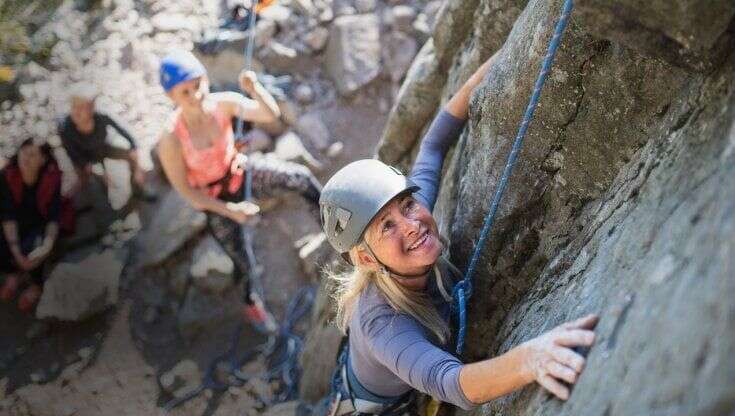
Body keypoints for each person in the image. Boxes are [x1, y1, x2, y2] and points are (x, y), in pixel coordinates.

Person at [317, 52, 599, 414]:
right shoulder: (384, 325)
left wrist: (505, 59)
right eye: (387, 226)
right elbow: (452, 383)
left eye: (406, 205)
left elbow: (434, 145)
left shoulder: (411, 221)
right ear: (366, 258)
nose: (411, 224)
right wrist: (530, 359)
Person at [156, 50, 322, 333]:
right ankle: (251, 304)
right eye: (185, 92)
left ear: (205, 80)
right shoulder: (171, 140)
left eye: (198, 85)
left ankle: (329, 221)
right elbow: (186, 191)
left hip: (239, 170)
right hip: (214, 198)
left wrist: (254, 88)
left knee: (300, 178)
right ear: (172, 97)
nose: (196, 95)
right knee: (242, 260)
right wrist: (229, 211)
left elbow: (269, 114)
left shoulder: (223, 105)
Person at [58, 83, 152, 207]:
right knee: (94, 184)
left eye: (81, 107)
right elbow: (72, 153)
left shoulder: (101, 117)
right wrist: (94, 169)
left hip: (102, 149)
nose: (76, 112)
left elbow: (123, 130)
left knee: (129, 155)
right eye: (74, 107)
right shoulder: (66, 128)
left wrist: (133, 149)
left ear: (91, 108)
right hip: (84, 162)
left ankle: (138, 191)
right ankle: (105, 217)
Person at [0, 139, 63, 312]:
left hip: (39, 226)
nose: (26, 158)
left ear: (43, 159)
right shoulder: (7, 175)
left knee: (33, 252)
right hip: (12, 224)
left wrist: (47, 245)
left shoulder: (52, 177)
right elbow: (7, 214)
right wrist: (15, 250)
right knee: (6, 246)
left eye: (33, 154)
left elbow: (54, 217)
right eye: (24, 152)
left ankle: (36, 285)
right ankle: (14, 273)